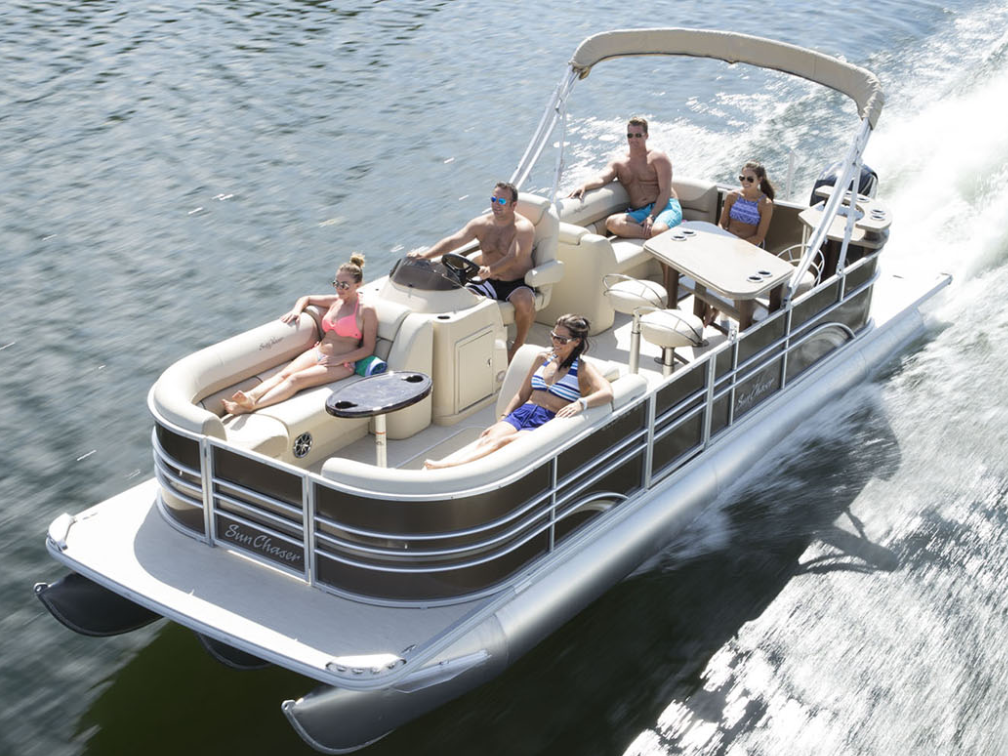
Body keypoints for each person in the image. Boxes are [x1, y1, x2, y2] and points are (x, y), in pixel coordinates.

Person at [423, 314, 613, 469]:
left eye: (562, 339)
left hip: (545, 421)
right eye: (553, 336)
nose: (555, 341)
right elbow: (522, 395)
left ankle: (450, 467)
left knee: (503, 444)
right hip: (522, 412)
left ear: (576, 342)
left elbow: (607, 392)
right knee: (489, 438)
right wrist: (504, 417)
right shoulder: (542, 358)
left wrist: (581, 403)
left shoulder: (583, 369)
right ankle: (450, 465)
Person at [222, 254, 378, 415]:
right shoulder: (335, 301)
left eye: (345, 285)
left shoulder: (366, 311)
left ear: (358, 284)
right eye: (336, 283)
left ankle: (249, 407)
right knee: (285, 374)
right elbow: (307, 298)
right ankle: (250, 396)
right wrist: (296, 310)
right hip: (318, 352)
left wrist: (339, 359)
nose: (339, 288)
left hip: (341, 364)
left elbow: (368, 349)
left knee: (295, 380)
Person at [408, 181, 535, 362]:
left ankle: (518, 345)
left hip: (516, 282)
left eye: (502, 201)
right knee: (460, 300)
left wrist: (490, 269)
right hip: (488, 281)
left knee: (523, 302)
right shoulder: (481, 224)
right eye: (493, 199)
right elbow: (453, 241)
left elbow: (513, 257)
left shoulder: (523, 228)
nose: (496, 204)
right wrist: (426, 255)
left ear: (513, 205)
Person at [568, 116, 682, 239]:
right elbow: (601, 178)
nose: (633, 139)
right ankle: (653, 234)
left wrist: (652, 217)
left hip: (666, 206)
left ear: (646, 136)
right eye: (630, 136)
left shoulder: (658, 157)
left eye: (638, 135)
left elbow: (665, 192)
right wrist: (584, 185)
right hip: (641, 212)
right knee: (612, 223)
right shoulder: (620, 163)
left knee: (658, 230)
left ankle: (657, 231)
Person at [705, 161, 776, 325]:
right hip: (727, 242)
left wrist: (737, 246)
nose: (745, 182)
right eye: (742, 177)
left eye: (750, 179)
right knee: (708, 270)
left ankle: (716, 310)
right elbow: (722, 223)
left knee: (726, 272)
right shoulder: (732, 196)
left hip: (749, 247)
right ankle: (710, 309)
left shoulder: (765, 204)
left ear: (760, 180)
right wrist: (722, 237)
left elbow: (759, 236)